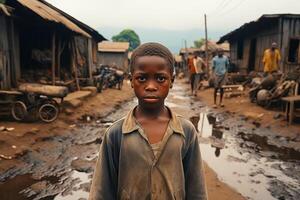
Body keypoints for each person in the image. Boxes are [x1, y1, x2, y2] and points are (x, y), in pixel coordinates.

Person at [89, 42, 207, 200]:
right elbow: (101, 192)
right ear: (131, 80)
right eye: (142, 78)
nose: (151, 86)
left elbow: (196, 190)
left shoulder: (186, 131)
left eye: (160, 78)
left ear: (171, 81)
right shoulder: (115, 134)